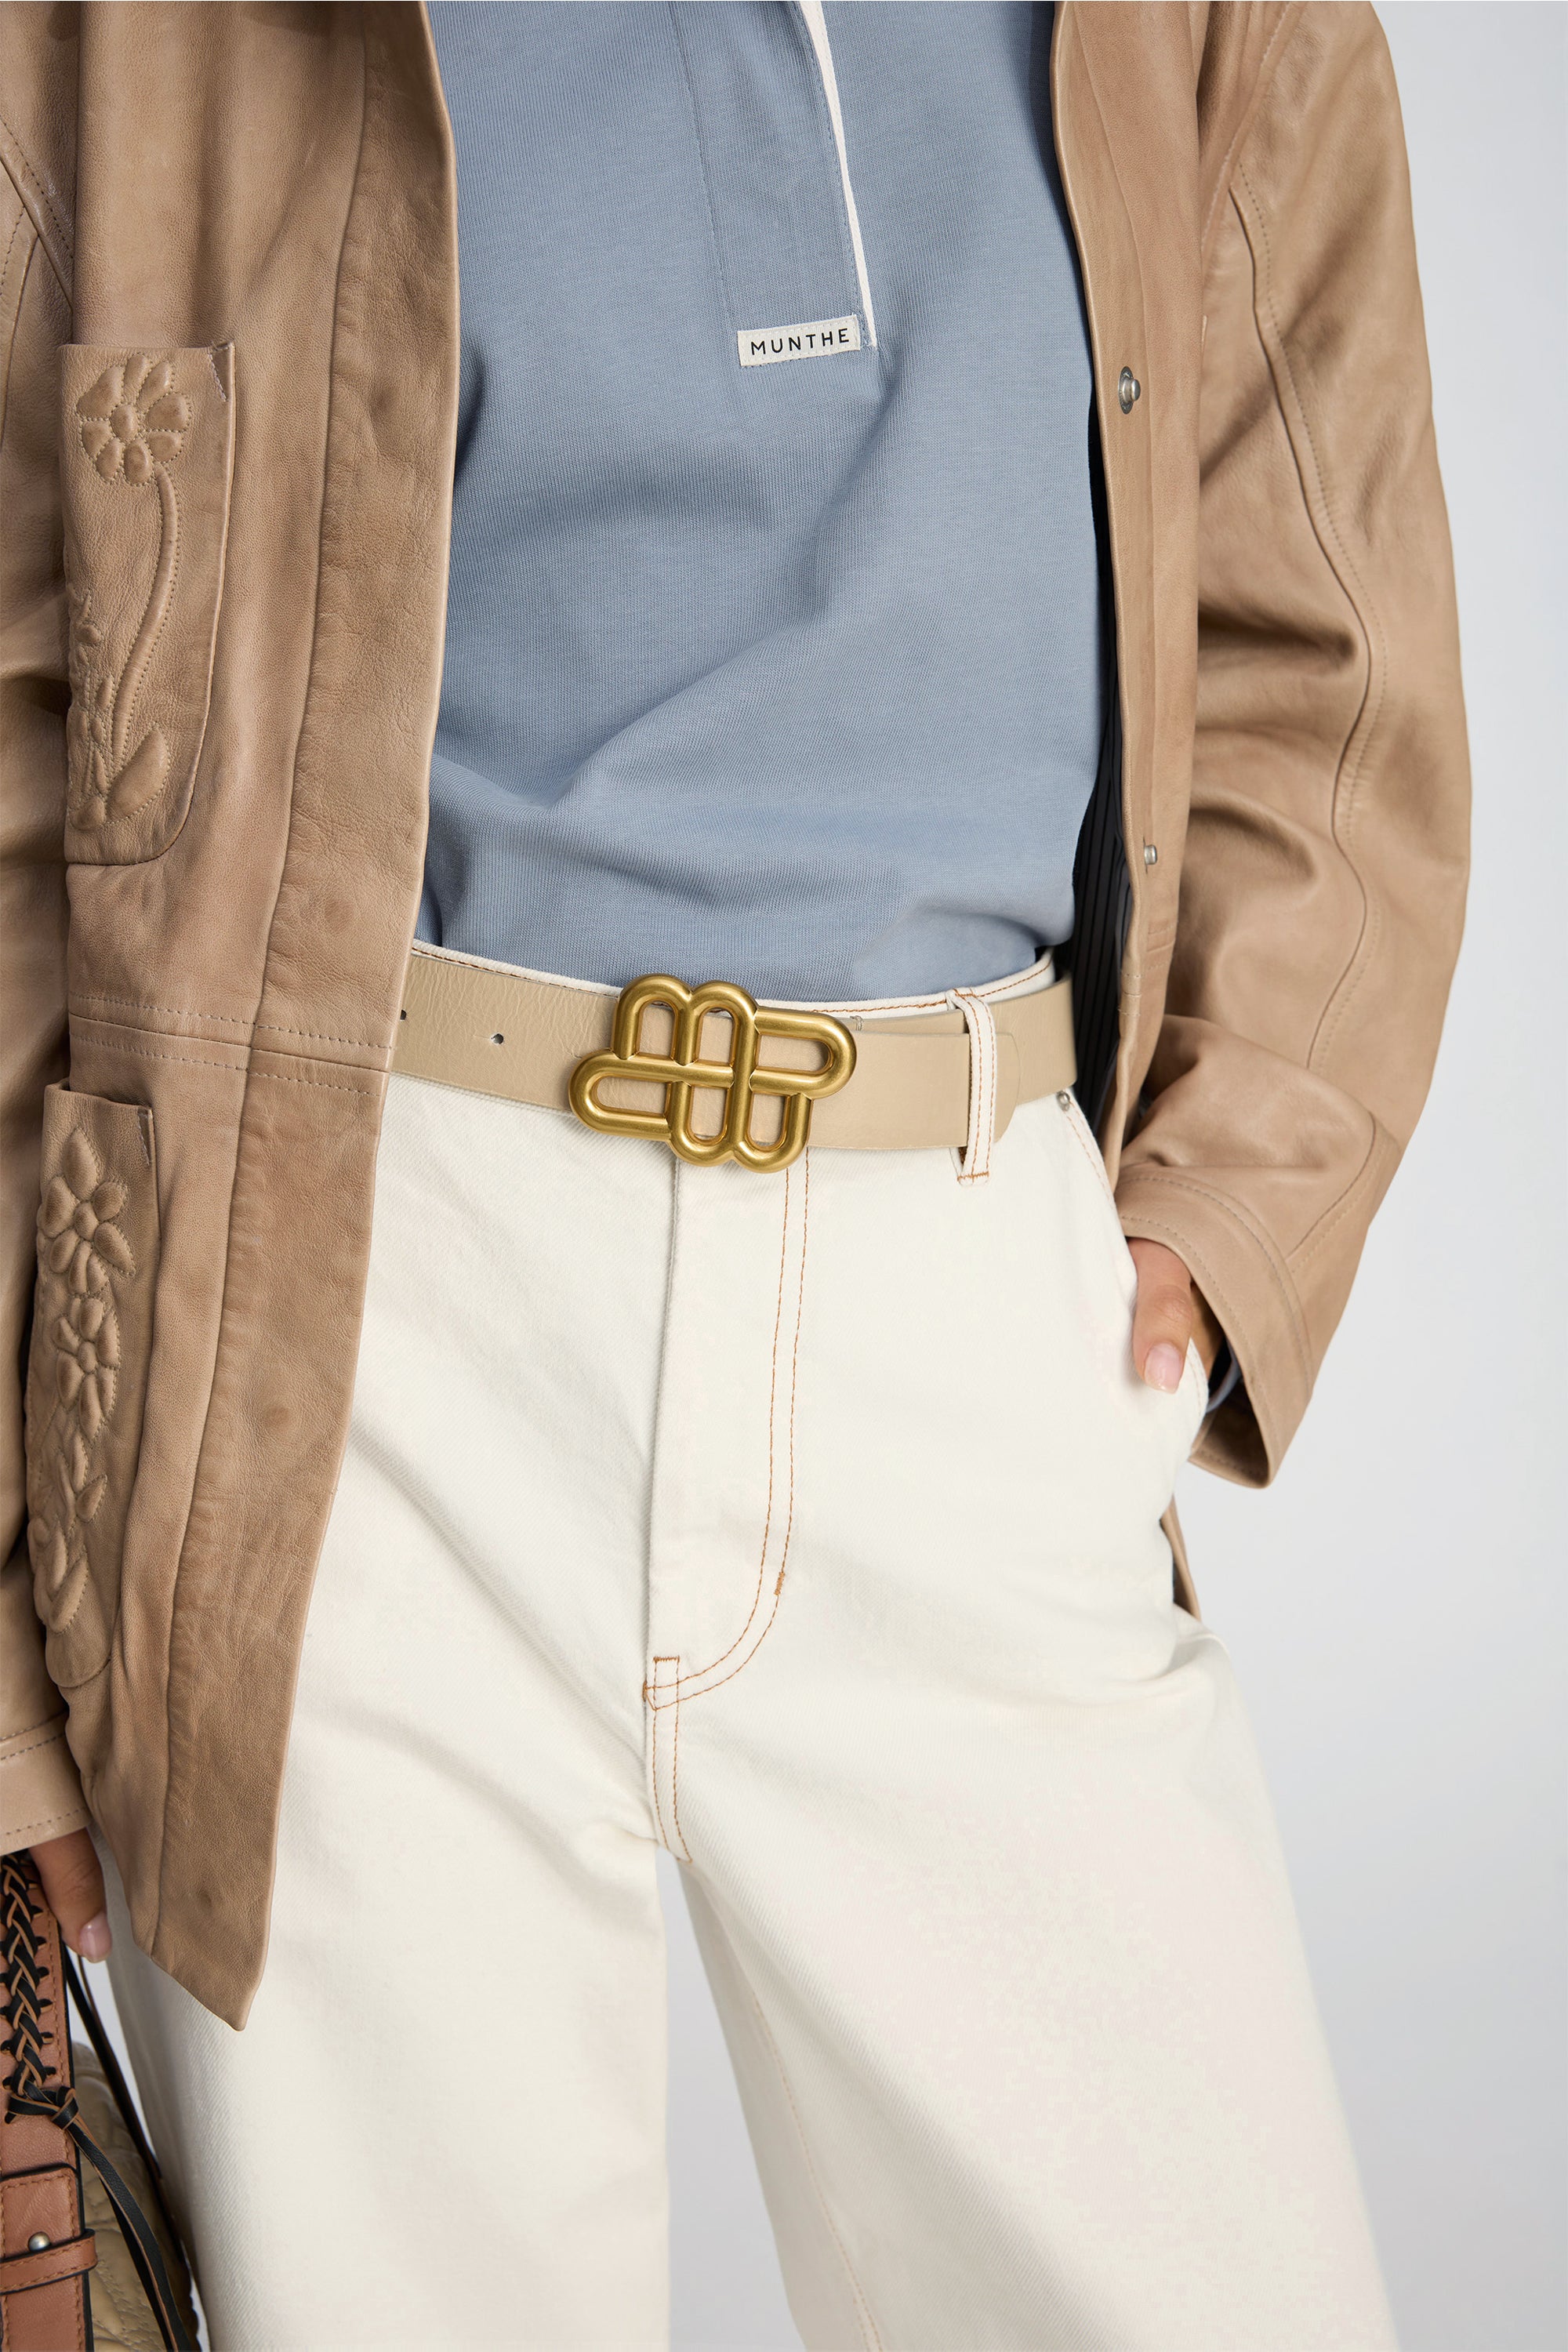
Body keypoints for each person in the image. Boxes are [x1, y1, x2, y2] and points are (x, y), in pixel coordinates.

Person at [0, 2, 1468, 2344]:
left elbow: (1333, 619)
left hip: (970, 1304)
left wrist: (1235, 1195)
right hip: (331, 1373)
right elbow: (23, 733)